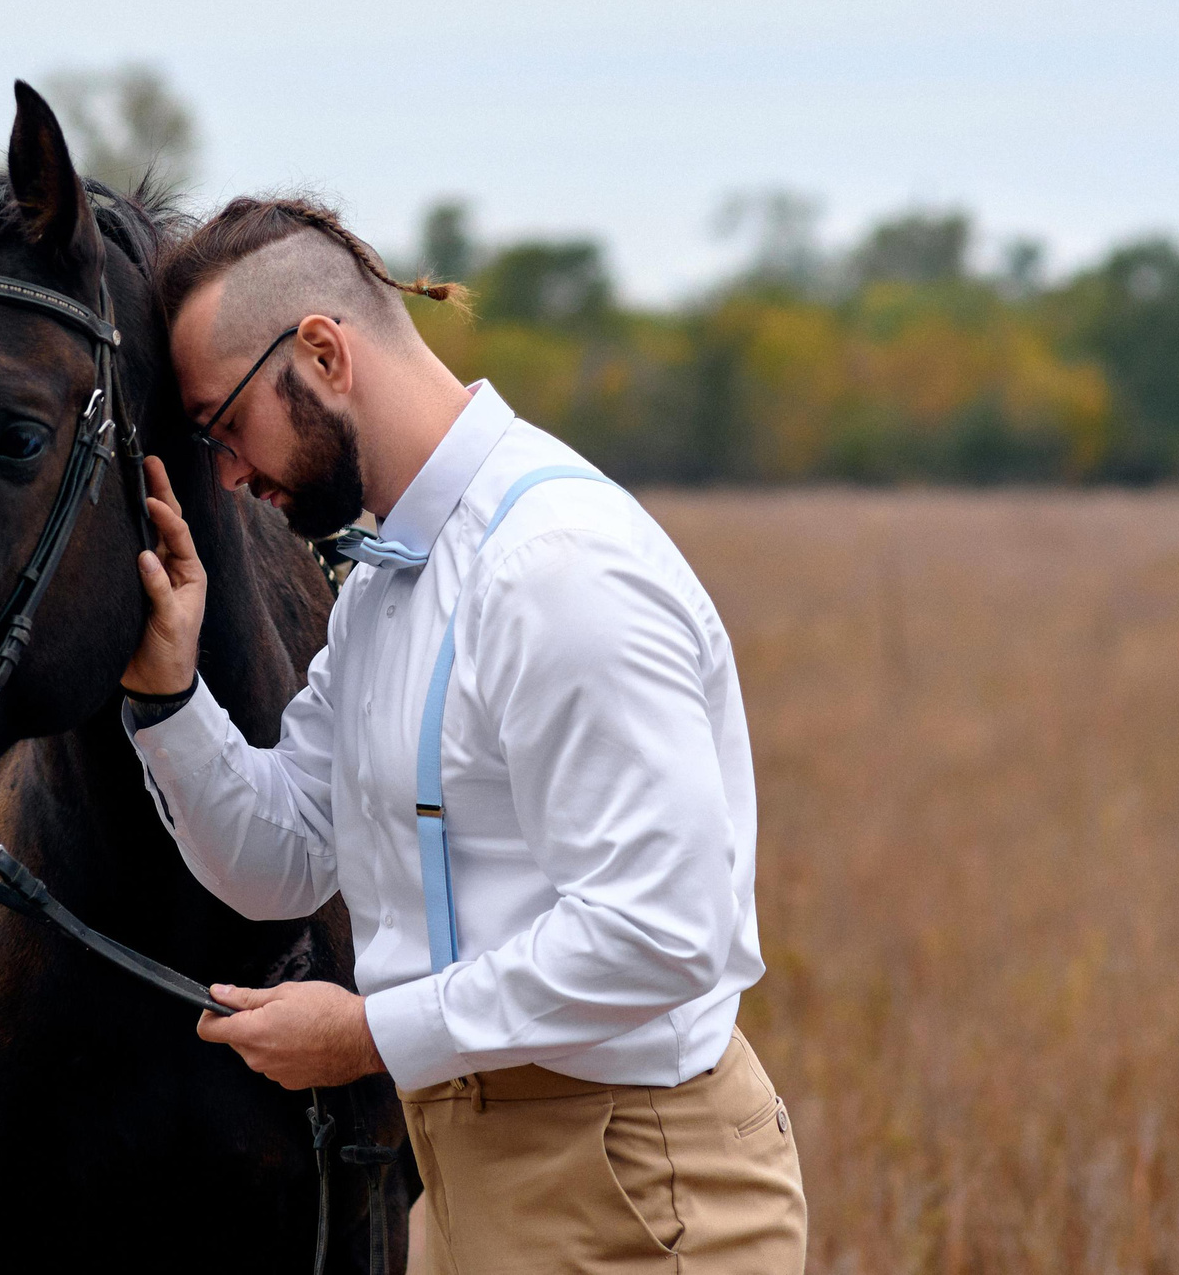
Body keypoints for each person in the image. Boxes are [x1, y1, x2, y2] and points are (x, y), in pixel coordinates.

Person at [117, 197, 808, 1273]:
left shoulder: (555, 570)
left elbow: (664, 930)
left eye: (224, 424)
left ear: (322, 354)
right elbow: (285, 856)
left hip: (630, 1182)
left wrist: (364, 1032)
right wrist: (167, 696)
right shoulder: (388, 585)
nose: (226, 474)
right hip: (471, 1170)